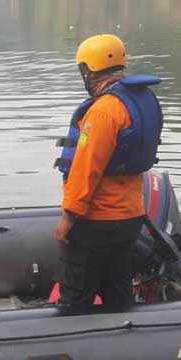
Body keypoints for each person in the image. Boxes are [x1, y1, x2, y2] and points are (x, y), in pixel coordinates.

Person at [54, 34, 163, 310]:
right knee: (118, 291)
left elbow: (85, 168)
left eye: (84, 70)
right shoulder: (141, 99)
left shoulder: (104, 110)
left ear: (90, 69)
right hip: (130, 215)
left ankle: (75, 348)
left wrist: (69, 216)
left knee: (76, 297)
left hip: (97, 219)